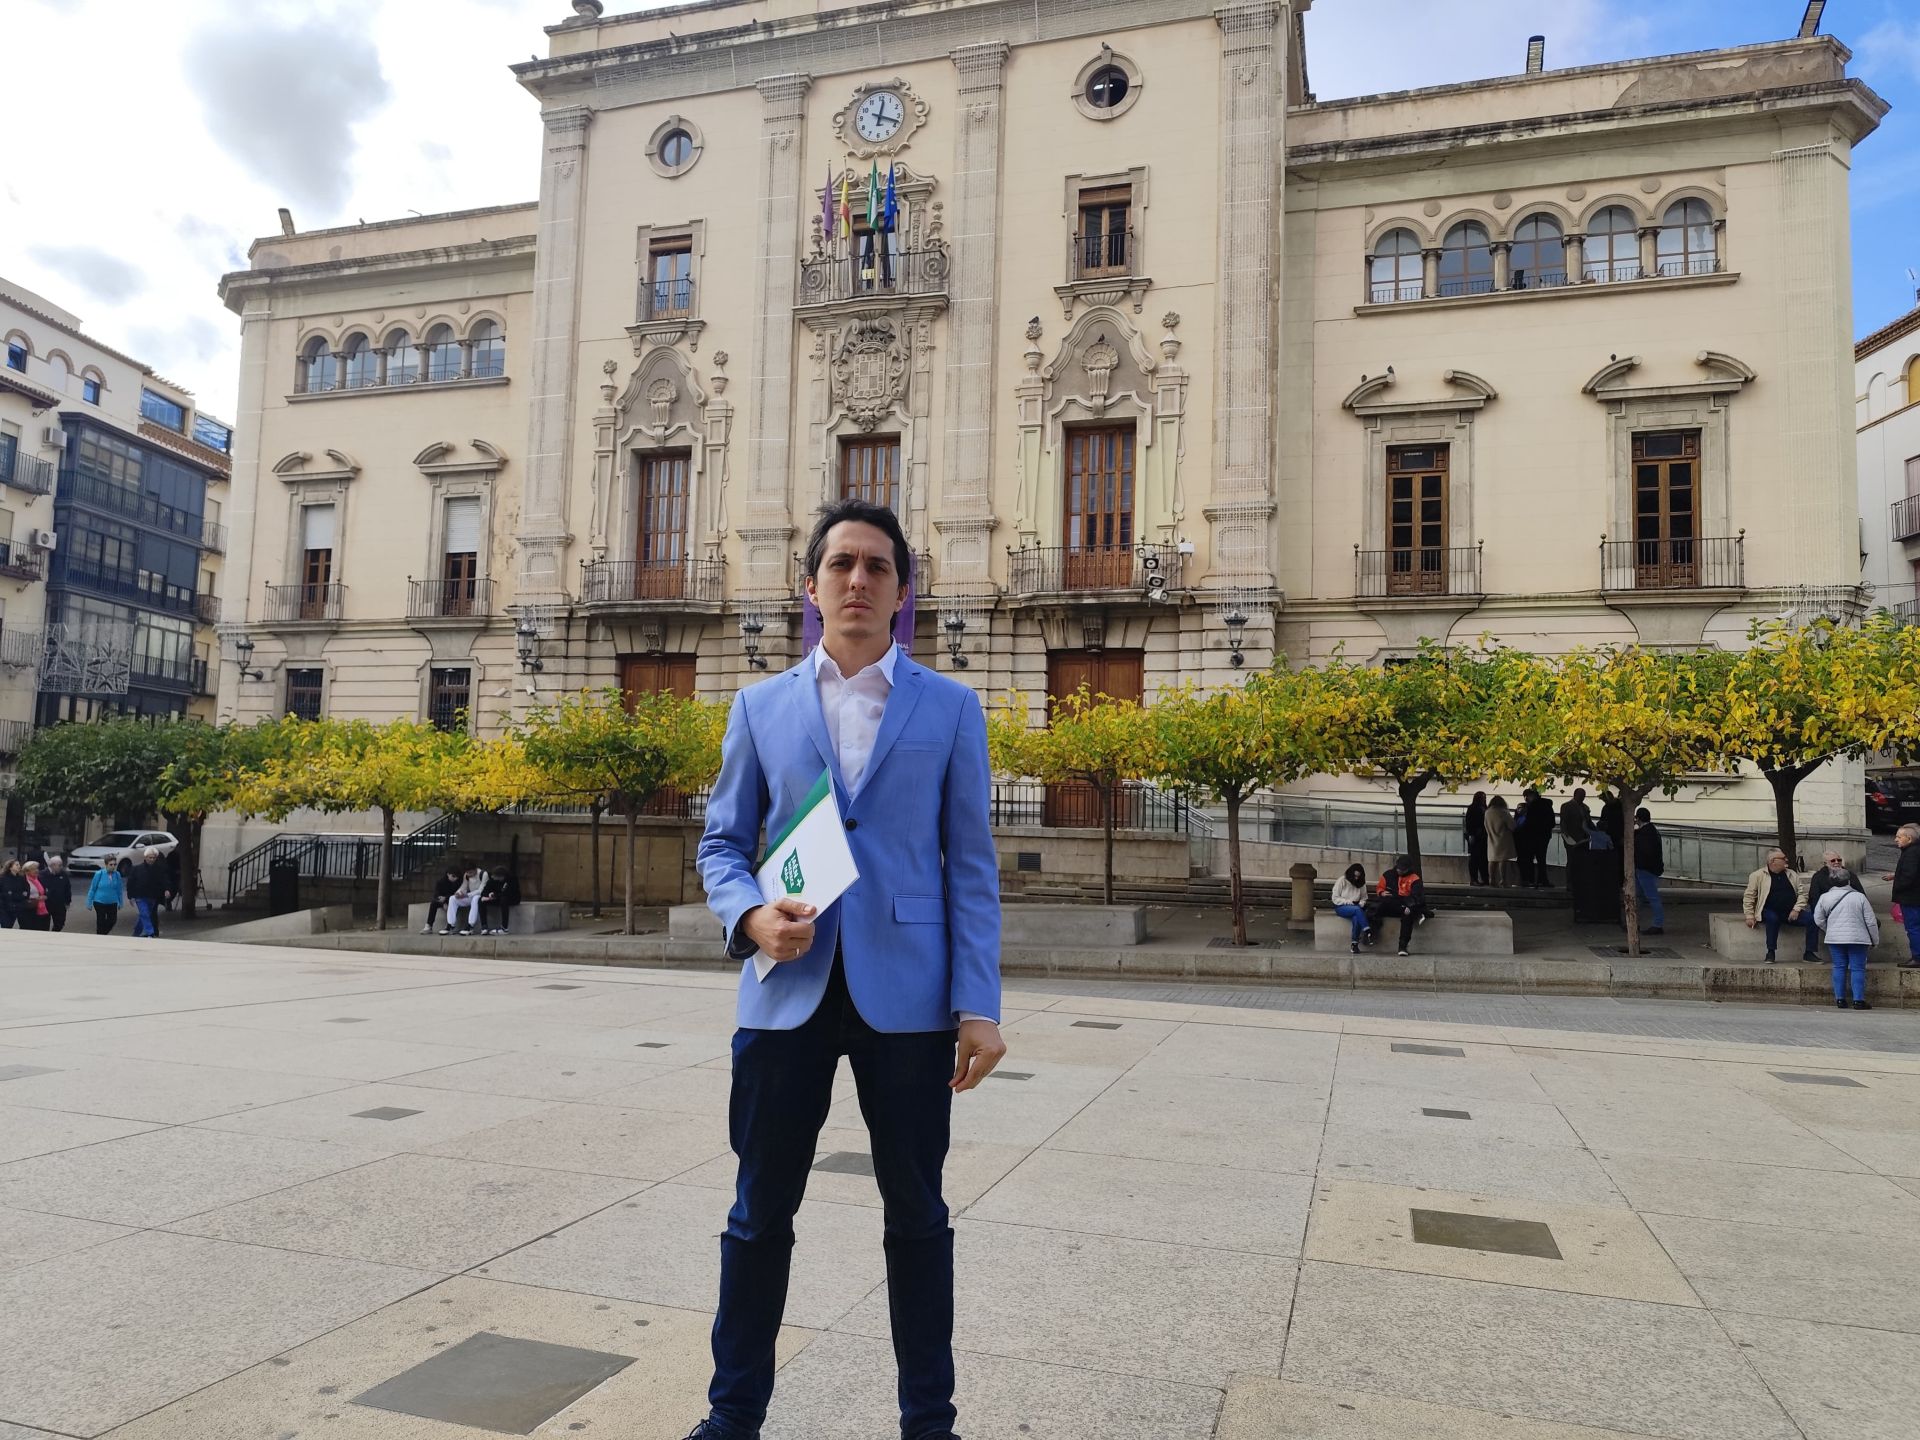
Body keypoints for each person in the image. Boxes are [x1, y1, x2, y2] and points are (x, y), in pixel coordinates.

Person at [689, 497, 1003, 1440]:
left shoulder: (950, 709)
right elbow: (720, 843)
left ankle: (928, 1422)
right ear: (813, 586)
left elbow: (973, 868)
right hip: (785, 992)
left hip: (907, 996)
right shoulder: (760, 705)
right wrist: (748, 914)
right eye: (841, 565)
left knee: (918, 1218)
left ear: (903, 591)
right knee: (757, 1217)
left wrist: (977, 1003)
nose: (858, 580)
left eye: (877, 567)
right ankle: (732, 1416)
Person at [1815, 868, 1878, 1010]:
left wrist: (1829, 929)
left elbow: (1818, 919)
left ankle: (1840, 1000)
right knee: (1857, 968)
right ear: (1849, 881)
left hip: (1835, 939)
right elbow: (1871, 921)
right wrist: (1875, 939)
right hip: (1858, 938)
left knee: (1838, 966)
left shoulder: (1824, 897)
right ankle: (1858, 1001)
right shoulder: (1860, 897)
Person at [1742, 849, 1815, 964]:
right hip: (1769, 909)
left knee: (1812, 919)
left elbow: (1802, 894)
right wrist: (1749, 915)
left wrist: (1796, 909)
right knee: (1772, 919)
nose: (1786, 860)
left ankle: (1809, 953)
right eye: (1783, 858)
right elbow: (1749, 897)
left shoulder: (1792, 874)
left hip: (1791, 911)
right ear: (1772, 861)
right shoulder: (1757, 875)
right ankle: (1770, 952)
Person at [1369, 854, 1428, 957]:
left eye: (1402, 870)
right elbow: (1380, 888)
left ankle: (1402, 946)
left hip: (1407, 904)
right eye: (1399, 868)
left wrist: (1408, 906)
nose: (1399, 871)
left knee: (1407, 915)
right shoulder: (1388, 875)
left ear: (1408, 869)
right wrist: (1381, 892)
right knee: (1377, 907)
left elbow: (1416, 897)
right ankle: (1370, 934)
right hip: (1393, 903)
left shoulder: (1414, 879)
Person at [1881, 822, 1920, 969]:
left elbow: (1909, 876)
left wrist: (1898, 885)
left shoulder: (1911, 853)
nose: (1895, 840)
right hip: (1914, 897)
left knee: (1913, 928)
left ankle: (1917, 957)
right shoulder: (1914, 851)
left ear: (1908, 839)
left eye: (1899, 837)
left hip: (1911, 898)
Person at [1632, 808, 1665, 933]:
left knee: (1651, 897)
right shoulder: (1651, 831)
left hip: (1645, 869)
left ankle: (1657, 924)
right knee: (1641, 896)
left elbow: (1643, 851)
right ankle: (1635, 921)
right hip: (1647, 868)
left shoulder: (1643, 834)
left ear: (1638, 818)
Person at [128, 847, 172, 938]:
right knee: (144, 913)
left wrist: (167, 889)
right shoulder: (136, 869)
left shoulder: (159, 869)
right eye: (150, 857)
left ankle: (136, 933)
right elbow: (130, 883)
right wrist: (130, 896)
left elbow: (164, 880)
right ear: (145, 857)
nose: (152, 859)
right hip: (140, 896)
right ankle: (150, 932)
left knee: (144, 915)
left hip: (153, 896)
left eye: (154, 857)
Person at [1330, 863, 1373, 953]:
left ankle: (1354, 944)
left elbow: (1364, 898)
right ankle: (1367, 930)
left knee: (1357, 916)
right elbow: (1335, 898)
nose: (1356, 878)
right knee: (1357, 910)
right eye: (1355, 876)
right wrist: (1349, 902)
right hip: (1342, 906)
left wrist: (1361, 903)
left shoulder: (1361, 883)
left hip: (1356, 907)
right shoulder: (1342, 880)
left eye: (1358, 876)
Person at [1518, 788, 1556, 888]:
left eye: (1527, 797)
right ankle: (1542, 880)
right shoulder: (1547, 805)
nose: (1526, 799)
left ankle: (1530, 880)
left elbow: (1529, 823)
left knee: (1529, 858)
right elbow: (1552, 822)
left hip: (1531, 837)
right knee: (1541, 859)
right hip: (1544, 836)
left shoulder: (1532, 807)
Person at [1485, 794, 1516, 887]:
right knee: (1503, 860)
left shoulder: (1488, 812)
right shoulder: (1503, 812)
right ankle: (1503, 880)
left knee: (1492, 860)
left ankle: (1492, 879)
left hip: (1491, 838)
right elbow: (1512, 826)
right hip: (1503, 839)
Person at [87, 861, 125, 935]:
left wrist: (121, 902)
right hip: (99, 902)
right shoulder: (99, 874)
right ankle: (100, 936)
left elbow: (119, 890)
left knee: (112, 920)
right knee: (101, 921)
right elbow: (92, 889)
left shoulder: (117, 874)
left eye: (114, 864)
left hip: (112, 902)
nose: (113, 866)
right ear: (106, 865)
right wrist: (89, 902)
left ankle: (102, 934)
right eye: (111, 864)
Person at [449, 865, 489, 935]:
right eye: (467, 872)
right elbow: (464, 886)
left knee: (475, 898)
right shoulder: (466, 875)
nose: (468, 874)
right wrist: (458, 893)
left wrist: (467, 895)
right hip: (470, 896)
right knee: (452, 898)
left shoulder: (483, 874)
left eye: (470, 872)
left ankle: (470, 925)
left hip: (480, 897)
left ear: (475, 870)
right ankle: (451, 925)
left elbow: (481, 890)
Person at [423, 865, 460, 934]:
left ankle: (450, 925)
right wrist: (443, 903)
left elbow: (456, 895)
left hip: (452, 900)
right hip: (443, 901)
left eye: (457, 877)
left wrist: (446, 898)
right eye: (453, 876)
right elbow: (436, 895)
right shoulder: (441, 882)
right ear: (448, 874)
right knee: (433, 903)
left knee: (452, 902)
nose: (455, 878)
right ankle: (429, 925)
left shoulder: (458, 882)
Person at [484, 866, 521, 935]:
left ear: (501, 877)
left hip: (511, 898)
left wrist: (495, 895)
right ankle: (484, 927)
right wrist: (489, 894)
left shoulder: (511, 879)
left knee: (504, 899)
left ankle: (504, 928)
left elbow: (508, 892)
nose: (493, 878)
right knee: (481, 901)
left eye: (496, 877)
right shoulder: (492, 879)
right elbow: (485, 890)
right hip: (498, 897)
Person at [1462, 792, 1489, 886]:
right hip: (1476, 835)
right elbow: (1469, 822)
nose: (1484, 799)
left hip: (1483, 836)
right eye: (1482, 797)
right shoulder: (1473, 808)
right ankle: (1474, 879)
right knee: (1475, 858)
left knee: (1483, 858)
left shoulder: (1484, 808)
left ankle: (1484, 878)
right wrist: (1472, 834)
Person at [16, 861, 50, 931]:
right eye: (34, 869)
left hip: (40, 908)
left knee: (41, 929)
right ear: (27, 871)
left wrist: (45, 896)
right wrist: (35, 899)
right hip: (27, 909)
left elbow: (45, 890)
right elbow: (18, 895)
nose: (37, 870)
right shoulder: (22, 880)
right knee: (28, 929)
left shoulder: (40, 879)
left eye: (37, 868)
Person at [42, 856, 71, 933]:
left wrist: (68, 902)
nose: (61, 867)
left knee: (60, 923)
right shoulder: (42, 875)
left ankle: (54, 933)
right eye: (60, 865)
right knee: (44, 924)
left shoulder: (63, 875)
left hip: (59, 904)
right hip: (46, 904)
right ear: (52, 865)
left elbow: (67, 889)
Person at [0, 858, 23, 929]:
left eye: (19, 864)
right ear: (10, 867)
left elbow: (22, 891)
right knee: (6, 926)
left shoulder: (20, 878)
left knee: (10, 926)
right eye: (16, 865)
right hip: (4, 907)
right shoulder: (2, 878)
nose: (19, 866)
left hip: (16, 907)